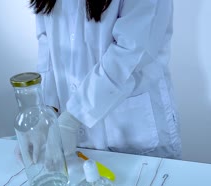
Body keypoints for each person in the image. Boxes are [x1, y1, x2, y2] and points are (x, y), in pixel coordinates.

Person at [30, 0, 181, 159]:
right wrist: (47, 111)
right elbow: (46, 44)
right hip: (73, 133)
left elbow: (131, 54)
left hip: (132, 136)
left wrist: (73, 117)